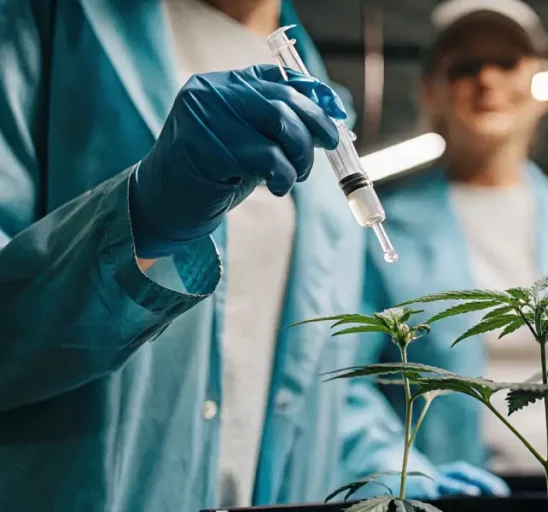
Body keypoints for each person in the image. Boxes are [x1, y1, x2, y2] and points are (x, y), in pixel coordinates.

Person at [0, 0, 500, 509]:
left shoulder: (321, 95)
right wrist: (141, 216)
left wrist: (394, 469)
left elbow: (317, 380)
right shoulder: (43, 24)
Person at [346, 0, 548, 491]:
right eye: (464, 67)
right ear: (430, 92)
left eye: (506, 62)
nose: (487, 80)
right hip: (449, 496)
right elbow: (350, 383)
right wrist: (410, 478)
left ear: (538, 82)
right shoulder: (384, 229)